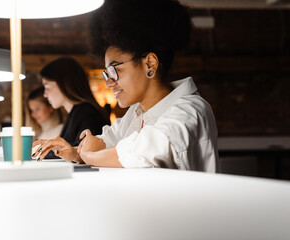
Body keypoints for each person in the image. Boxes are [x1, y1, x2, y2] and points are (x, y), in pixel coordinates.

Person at [34, 0, 219, 172]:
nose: (108, 82)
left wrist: (89, 155)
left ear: (150, 64)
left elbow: (146, 150)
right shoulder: (136, 113)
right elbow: (106, 142)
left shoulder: (191, 110)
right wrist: (75, 152)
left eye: (114, 71)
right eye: (106, 73)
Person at [34, 57, 110, 159]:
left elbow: (79, 153)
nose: (45, 94)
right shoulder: (75, 113)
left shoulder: (87, 113)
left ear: (63, 84)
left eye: (47, 87)